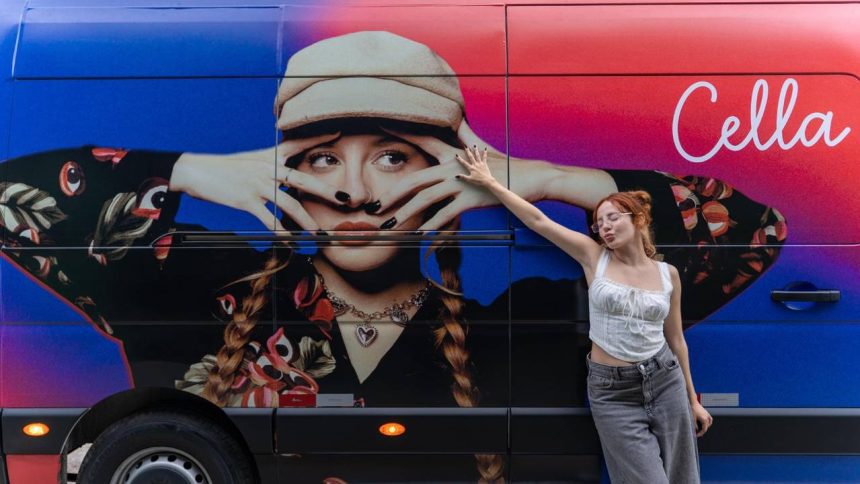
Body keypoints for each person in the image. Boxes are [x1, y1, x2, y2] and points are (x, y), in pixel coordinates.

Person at [0, 30, 783, 482]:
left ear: (450, 173)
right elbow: (14, 204)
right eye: (318, 158)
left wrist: (537, 178)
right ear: (280, 173)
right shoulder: (201, 289)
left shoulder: (526, 323)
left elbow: (751, 230)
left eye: (395, 157)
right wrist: (192, 170)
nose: (355, 192)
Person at [453, 146, 713, 482]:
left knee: (684, 478)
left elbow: (677, 340)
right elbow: (538, 220)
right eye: (598, 222)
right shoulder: (594, 257)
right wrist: (490, 182)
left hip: (665, 380)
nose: (603, 227)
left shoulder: (668, 274)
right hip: (613, 390)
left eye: (612, 218)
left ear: (637, 220)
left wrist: (692, 400)